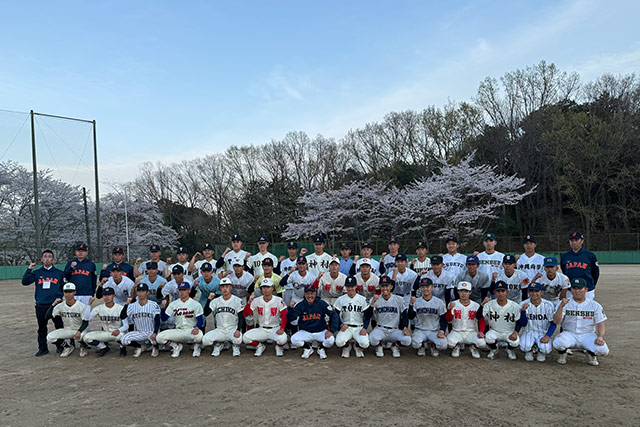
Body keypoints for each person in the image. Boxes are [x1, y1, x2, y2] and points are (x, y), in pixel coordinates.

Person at [553, 278, 609, 366]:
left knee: (603, 350)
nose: (577, 291)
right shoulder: (564, 303)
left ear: (586, 289)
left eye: (580, 288)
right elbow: (556, 321)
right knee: (558, 343)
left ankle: (590, 353)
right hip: (569, 333)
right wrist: (560, 307)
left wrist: (600, 337)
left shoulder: (594, 305)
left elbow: (600, 323)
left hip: (587, 335)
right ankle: (563, 353)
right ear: (571, 289)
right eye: (574, 288)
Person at [22, 249, 65, 356]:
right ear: (41, 259)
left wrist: (59, 297)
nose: (47, 259)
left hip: (55, 304)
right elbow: (25, 282)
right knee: (42, 327)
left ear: (53, 259)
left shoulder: (59, 273)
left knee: (59, 326)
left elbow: (64, 287)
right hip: (41, 305)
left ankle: (60, 346)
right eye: (45, 257)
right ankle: (43, 348)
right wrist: (29, 269)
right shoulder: (37, 273)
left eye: (49, 257)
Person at [288, 285, 340, 359]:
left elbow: (334, 315)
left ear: (315, 294)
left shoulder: (321, 303)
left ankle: (321, 348)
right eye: (307, 294)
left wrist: (331, 330)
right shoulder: (301, 305)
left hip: (320, 331)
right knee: (294, 339)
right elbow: (291, 318)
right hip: (306, 331)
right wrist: (290, 309)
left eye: (312, 293)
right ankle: (307, 348)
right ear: (304, 294)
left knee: (330, 340)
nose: (310, 296)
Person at [367, 276, 411, 358]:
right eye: (382, 286)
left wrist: (405, 327)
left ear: (391, 287)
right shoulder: (375, 299)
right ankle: (379, 345)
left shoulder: (399, 299)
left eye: (387, 286)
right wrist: (372, 303)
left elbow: (405, 315)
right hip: (380, 329)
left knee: (407, 340)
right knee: (372, 339)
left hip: (394, 330)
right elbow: (367, 316)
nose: (385, 288)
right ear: (379, 287)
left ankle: (394, 345)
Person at [242, 278, 288, 357]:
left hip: (275, 328)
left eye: (268, 287)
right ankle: (260, 346)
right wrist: (249, 303)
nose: (266, 289)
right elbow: (245, 314)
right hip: (262, 329)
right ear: (261, 289)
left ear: (272, 288)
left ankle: (279, 347)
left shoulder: (278, 300)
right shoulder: (256, 300)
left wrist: (282, 328)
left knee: (283, 339)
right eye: (264, 287)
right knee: (245, 338)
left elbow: (284, 316)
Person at [158, 282, 204, 357]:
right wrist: (163, 308)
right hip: (178, 330)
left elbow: (200, 320)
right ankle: (176, 346)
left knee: (199, 336)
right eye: (180, 290)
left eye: (184, 290)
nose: (182, 292)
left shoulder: (196, 304)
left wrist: (197, 328)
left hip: (191, 330)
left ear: (189, 290)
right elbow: (164, 319)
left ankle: (197, 346)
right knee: (159, 337)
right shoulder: (173, 304)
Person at [482, 281, 527, 360]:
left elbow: (520, 322)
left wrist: (515, 332)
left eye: (503, 291)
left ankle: (509, 350)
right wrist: (482, 304)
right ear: (494, 292)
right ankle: (494, 349)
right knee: (488, 338)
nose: (500, 293)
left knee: (515, 342)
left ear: (507, 292)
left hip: (509, 332)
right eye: (498, 291)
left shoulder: (515, 306)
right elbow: (479, 317)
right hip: (494, 330)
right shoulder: (489, 304)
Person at [202, 277, 244, 357]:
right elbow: (206, 313)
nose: (225, 289)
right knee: (205, 340)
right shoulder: (216, 301)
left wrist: (238, 330)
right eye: (223, 287)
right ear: (220, 288)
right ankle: (219, 344)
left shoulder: (237, 300)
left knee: (238, 339)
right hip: (220, 329)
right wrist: (209, 300)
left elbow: (241, 317)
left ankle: (235, 346)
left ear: (230, 287)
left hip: (232, 329)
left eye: (227, 286)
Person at [81, 287, 129, 357]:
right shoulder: (99, 308)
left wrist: (119, 330)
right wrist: (89, 305)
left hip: (118, 333)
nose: (107, 297)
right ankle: (103, 347)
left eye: (109, 295)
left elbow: (126, 325)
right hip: (106, 332)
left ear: (113, 296)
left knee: (122, 336)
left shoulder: (120, 308)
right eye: (105, 295)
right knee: (86, 337)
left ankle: (122, 348)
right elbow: (86, 318)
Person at [446, 281, 487, 358]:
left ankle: (473, 348)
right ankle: (456, 347)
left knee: (482, 343)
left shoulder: (476, 305)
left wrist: (481, 331)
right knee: (448, 343)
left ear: (470, 292)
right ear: (458, 292)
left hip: (471, 332)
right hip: (456, 331)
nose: (464, 293)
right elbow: (448, 320)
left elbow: (481, 320)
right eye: (461, 291)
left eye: (466, 291)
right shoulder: (453, 304)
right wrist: (449, 309)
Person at [44, 283, 87, 357]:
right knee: (50, 337)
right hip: (68, 329)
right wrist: (53, 304)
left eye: (70, 292)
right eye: (66, 292)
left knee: (85, 337)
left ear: (74, 292)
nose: (68, 294)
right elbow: (47, 317)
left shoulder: (81, 306)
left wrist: (79, 332)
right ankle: (67, 346)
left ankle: (83, 346)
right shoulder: (60, 306)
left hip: (80, 329)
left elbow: (85, 322)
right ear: (63, 293)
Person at [409, 278, 448, 357]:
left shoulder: (439, 302)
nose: (425, 289)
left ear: (432, 287)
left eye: (427, 287)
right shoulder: (417, 301)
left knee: (443, 345)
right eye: (423, 287)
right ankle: (422, 345)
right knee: (415, 344)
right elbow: (411, 316)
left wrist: (442, 331)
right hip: (420, 330)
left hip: (434, 330)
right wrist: (411, 305)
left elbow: (443, 319)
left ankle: (433, 345)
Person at [121, 283, 161, 358]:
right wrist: (126, 304)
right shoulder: (132, 306)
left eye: (143, 291)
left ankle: (155, 347)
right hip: (139, 332)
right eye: (139, 291)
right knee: (124, 340)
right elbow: (122, 316)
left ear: (147, 292)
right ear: (136, 293)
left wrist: (155, 332)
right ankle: (139, 347)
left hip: (151, 332)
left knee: (157, 339)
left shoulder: (154, 305)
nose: (141, 293)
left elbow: (157, 320)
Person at [519, 282, 557, 362]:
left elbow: (553, 323)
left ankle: (540, 351)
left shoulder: (548, 305)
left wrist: (548, 336)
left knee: (546, 349)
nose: (534, 293)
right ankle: (530, 350)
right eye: (531, 291)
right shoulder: (523, 304)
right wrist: (523, 312)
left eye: (536, 291)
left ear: (541, 292)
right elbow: (523, 323)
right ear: (528, 292)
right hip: (528, 331)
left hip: (543, 333)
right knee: (524, 347)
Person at [333, 276, 370, 358]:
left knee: (365, 344)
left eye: (352, 286)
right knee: (339, 342)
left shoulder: (363, 299)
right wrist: (340, 325)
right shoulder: (340, 299)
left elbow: (367, 316)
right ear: (345, 287)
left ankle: (357, 346)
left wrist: (365, 328)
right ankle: (347, 346)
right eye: (348, 286)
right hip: (346, 327)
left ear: (356, 286)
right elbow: (335, 314)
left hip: (359, 327)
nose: (350, 289)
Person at [561, 232, 599, 299]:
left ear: (582, 241)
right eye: (572, 240)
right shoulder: (565, 256)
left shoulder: (590, 255)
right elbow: (564, 271)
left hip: (587, 289)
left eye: (576, 240)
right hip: (571, 289)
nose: (574, 242)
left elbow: (595, 273)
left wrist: (591, 284)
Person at [192, 262, 221, 328]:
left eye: (208, 271)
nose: (206, 273)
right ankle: (202, 331)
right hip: (204, 297)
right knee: (201, 314)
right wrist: (194, 287)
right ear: (201, 272)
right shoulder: (198, 280)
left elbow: (221, 294)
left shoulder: (217, 281)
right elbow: (191, 295)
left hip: (216, 298)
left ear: (212, 272)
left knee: (217, 315)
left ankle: (218, 329)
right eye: (204, 271)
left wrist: (214, 296)